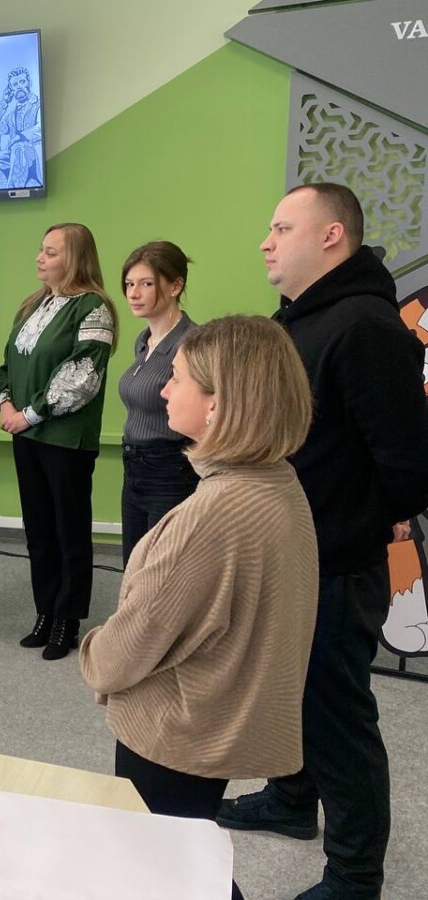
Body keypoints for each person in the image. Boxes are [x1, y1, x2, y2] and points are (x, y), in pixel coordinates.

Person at [216, 184, 428, 900]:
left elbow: (409, 462)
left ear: (331, 235)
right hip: (292, 554)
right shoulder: (303, 317)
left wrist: (364, 519)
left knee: (337, 718)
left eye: (282, 228)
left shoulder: (364, 326)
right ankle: (289, 798)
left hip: (333, 561)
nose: (266, 241)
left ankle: (355, 876)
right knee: (291, 695)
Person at [81, 316, 319, 900]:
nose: (163, 389)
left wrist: (92, 652)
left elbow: (125, 651)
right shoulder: (277, 481)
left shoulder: (211, 518)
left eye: (179, 378)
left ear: (218, 404)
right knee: (184, 860)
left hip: (179, 731)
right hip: (219, 717)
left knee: (162, 868)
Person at [0, 222, 116, 659]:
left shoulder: (93, 307)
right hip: (27, 434)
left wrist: (28, 414)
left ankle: (67, 619)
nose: (40, 258)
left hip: (65, 439)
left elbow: (84, 376)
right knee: (38, 530)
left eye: (51, 252)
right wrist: (6, 403)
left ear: (75, 258)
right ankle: (44, 610)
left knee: (68, 532)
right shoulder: (32, 305)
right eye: (41, 250)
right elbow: (8, 366)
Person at [117, 241, 200, 564]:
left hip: (170, 467)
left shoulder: (192, 342)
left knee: (162, 568)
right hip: (133, 465)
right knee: (134, 564)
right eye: (129, 284)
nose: (134, 294)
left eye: (146, 284)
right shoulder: (143, 341)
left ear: (175, 286)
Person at [0, 66, 42, 190]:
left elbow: (39, 128)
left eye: (22, 82)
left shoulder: (39, 104)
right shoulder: (11, 116)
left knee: (19, 147)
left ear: (29, 82)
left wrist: (19, 137)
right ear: (11, 88)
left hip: (34, 152)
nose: (19, 87)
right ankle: (6, 192)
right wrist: (4, 103)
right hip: (14, 154)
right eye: (15, 84)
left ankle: (13, 188)